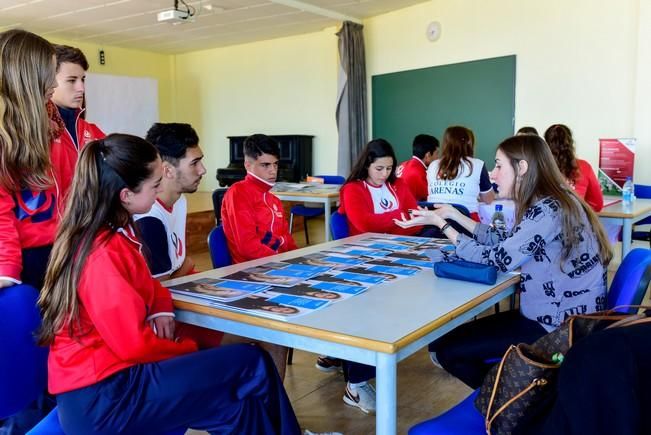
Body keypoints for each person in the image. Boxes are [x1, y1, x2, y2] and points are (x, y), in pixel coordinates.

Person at [37, 134, 301, 435]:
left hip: (117, 380)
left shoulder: (117, 233)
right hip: (105, 398)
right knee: (252, 362)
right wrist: (191, 350)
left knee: (238, 408)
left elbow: (151, 287)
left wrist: (160, 308)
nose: (160, 189)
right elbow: (134, 345)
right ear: (125, 195)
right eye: (154, 185)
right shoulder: (102, 254)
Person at [395, 133, 612, 389]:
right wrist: (455, 215)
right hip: (565, 320)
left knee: (448, 350)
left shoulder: (546, 210)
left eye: (498, 165)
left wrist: (442, 225)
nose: (493, 174)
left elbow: (499, 258)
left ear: (522, 168)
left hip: (555, 327)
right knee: (447, 343)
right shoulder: (555, 200)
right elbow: (508, 240)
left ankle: (515, 398)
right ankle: (517, 391)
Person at [0, 30, 59, 292]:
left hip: (52, 252)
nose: (55, 85)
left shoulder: (38, 127)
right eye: (50, 75)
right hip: (21, 263)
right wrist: (7, 270)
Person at [134, 123, 206, 279]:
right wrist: (187, 265)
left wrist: (186, 266)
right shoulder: (149, 219)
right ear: (167, 170)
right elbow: (161, 288)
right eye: (194, 163)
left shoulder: (180, 200)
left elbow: (180, 265)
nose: (203, 170)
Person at [221, 134, 297, 262]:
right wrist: (281, 260)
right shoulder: (238, 193)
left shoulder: (274, 200)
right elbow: (248, 247)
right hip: (252, 270)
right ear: (248, 165)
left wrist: (300, 258)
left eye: (275, 164)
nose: (273, 171)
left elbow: (287, 240)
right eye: (265, 165)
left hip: (278, 265)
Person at [50, 44, 105, 197]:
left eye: (83, 79)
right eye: (72, 80)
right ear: (49, 81)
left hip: (89, 220)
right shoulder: (36, 132)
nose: (81, 88)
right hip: (55, 221)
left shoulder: (93, 131)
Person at [338, 138, 422, 236]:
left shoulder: (398, 183)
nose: (384, 174)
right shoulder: (352, 189)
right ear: (366, 165)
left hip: (401, 241)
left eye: (389, 168)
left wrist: (386, 227)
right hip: (367, 246)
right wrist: (400, 215)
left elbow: (417, 219)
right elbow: (365, 224)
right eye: (379, 169)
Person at [426, 125, 495, 220]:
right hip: (466, 224)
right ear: (470, 144)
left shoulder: (433, 165)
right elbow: (489, 199)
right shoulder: (477, 165)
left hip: (434, 222)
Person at [544, 124, 603, 211]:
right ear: (570, 143)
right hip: (576, 221)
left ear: (545, 145)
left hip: (545, 222)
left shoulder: (539, 167)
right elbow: (597, 205)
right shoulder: (584, 167)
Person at [396, 134, 440, 201]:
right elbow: (432, 198)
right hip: (407, 210)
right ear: (428, 155)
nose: (438, 158)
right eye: (436, 153)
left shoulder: (403, 164)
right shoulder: (418, 172)